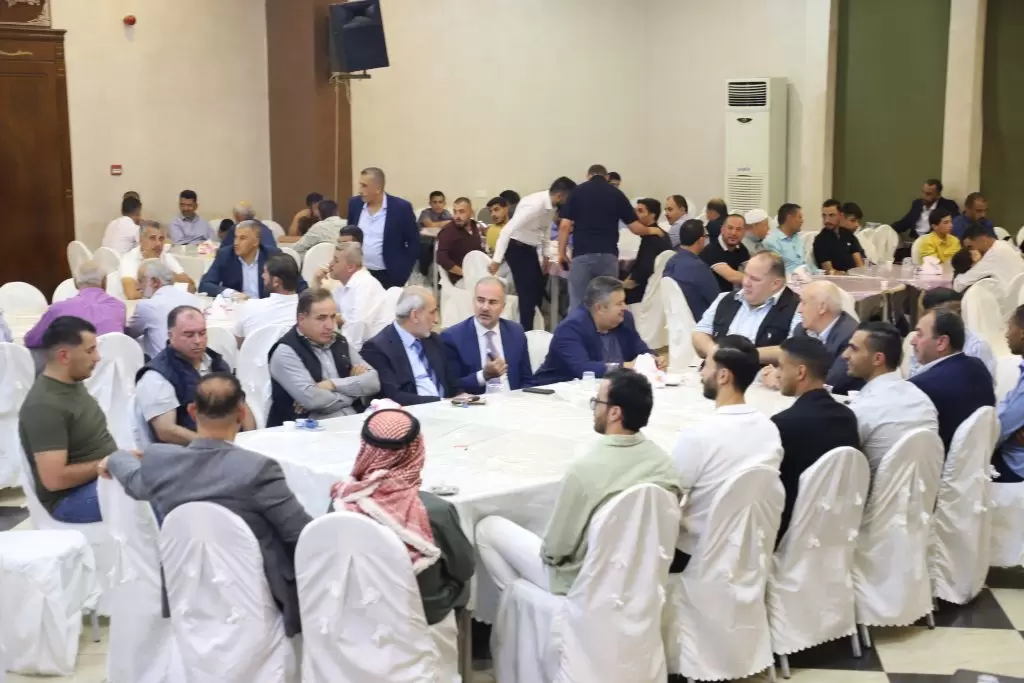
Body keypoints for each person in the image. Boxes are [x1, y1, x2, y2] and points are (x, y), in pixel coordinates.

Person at [100, 373, 312, 637]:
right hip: (257, 594)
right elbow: (303, 535)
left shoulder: (161, 461)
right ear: (242, 412)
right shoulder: (258, 469)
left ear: (192, 411)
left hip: (188, 593)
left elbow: (134, 481)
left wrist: (116, 458)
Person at [476, 369, 680, 594]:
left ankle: (519, 604)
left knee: (487, 528)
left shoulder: (584, 471)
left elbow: (555, 551)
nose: (594, 408)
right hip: (642, 579)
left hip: (583, 584)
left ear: (614, 413)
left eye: (597, 402)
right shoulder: (666, 466)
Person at [330, 408, 474, 625]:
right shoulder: (435, 510)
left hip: (358, 604)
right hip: (423, 610)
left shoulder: (342, 499)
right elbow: (464, 568)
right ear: (416, 451)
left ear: (365, 448)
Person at [670, 335, 782, 573]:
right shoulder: (770, 430)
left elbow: (668, 498)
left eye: (706, 365)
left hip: (695, 553)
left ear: (723, 376)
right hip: (749, 550)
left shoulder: (699, 436)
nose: (701, 373)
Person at [19, 317, 121, 523]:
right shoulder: (44, 406)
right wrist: (111, 463)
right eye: (90, 351)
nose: (97, 357)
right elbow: (54, 479)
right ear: (64, 356)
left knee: (172, 475)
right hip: (71, 500)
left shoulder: (71, 383)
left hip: (99, 480)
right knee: (159, 494)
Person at [769, 336, 861, 540]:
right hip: (837, 526)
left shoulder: (783, 424)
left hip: (791, 531)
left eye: (781, 367)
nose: (777, 374)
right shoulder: (847, 417)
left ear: (800, 372)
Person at [267, 288, 380, 426]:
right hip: (306, 430)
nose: (330, 326)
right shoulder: (286, 351)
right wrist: (356, 392)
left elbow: (374, 381)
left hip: (354, 421)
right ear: (302, 319)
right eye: (321, 318)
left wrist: (332, 385)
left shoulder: (339, 341)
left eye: (332, 317)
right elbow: (314, 400)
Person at [135, 305, 244, 446]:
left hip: (231, 444)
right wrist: (214, 446)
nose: (198, 340)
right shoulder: (156, 376)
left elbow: (240, 404)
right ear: (170, 335)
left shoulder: (216, 362)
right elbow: (166, 431)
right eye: (189, 335)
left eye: (202, 333)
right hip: (187, 453)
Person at [843, 322, 939, 474]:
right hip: (924, 486)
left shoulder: (863, 409)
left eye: (853, 349)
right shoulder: (923, 400)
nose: (845, 355)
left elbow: (842, 464)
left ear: (878, 359)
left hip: (876, 488)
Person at [557, 164, 657, 309]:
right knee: (608, 306)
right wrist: (653, 230)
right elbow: (636, 228)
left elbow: (564, 226)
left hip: (582, 255)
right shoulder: (616, 194)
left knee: (578, 305)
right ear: (607, 177)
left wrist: (561, 253)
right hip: (608, 257)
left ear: (588, 176)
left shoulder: (577, 192)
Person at [533, 277, 664, 385]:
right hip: (552, 394)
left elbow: (640, 349)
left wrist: (652, 359)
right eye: (619, 303)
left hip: (606, 391)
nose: (625, 307)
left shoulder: (625, 320)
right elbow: (583, 369)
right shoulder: (570, 328)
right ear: (600, 308)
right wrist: (626, 366)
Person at [489, 177, 577, 330]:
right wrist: (496, 260)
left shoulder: (550, 207)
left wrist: (546, 255)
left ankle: (533, 326)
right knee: (527, 295)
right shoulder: (535, 205)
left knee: (538, 288)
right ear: (560, 196)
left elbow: (545, 230)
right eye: (570, 198)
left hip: (529, 249)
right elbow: (506, 231)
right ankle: (525, 332)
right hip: (516, 248)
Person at [908, 308, 995, 452]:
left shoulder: (920, 386)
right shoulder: (978, 367)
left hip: (939, 462)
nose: (912, 341)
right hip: (979, 458)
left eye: (919, 334)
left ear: (942, 342)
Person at [692, 251, 801, 364]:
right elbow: (699, 333)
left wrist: (742, 357)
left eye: (754, 279)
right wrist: (716, 352)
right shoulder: (725, 299)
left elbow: (794, 352)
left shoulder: (798, 308)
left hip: (763, 373)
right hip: (716, 369)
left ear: (775, 284)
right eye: (746, 275)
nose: (746, 283)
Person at [361, 286, 463, 405]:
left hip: (448, 409)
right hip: (412, 412)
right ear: (415, 316)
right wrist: (442, 402)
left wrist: (463, 397)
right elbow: (393, 396)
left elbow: (452, 384)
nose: (436, 320)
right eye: (432, 312)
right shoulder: (377, 349)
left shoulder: (433, 340)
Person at [441, 277, 535, 394]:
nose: (485, 308)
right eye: (480, 300)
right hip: (476, 403)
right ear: (473, 302)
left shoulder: (516, 332)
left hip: (513, 401)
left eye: (492, 302)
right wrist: (483, 375)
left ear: (503, 307)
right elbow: (452, 386)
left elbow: (527, 380)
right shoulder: (452, 337)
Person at [24, 261, 126, 348]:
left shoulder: (59, 309)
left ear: (75, 283)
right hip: (112, 362)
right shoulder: (119, 307)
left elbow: (31, 340)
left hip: (77, 364)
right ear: (105, 282)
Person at [347, 167, 419, 289]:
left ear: (378, 189)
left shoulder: (401, 208)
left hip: (389, 275)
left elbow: (414, 241)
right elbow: (350, 235)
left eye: (364, 186)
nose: (360, 190)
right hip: (360, 272)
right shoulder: (355, 204)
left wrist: (404, 270)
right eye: (360, 185)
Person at [313, 242, 389, 352]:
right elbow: (320, 308)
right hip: (363, 346)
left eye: (336, 260)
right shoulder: (343, 286)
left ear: (350, 267)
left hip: (376, 350)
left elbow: (356, 328)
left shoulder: (364, 284)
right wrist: (317, 282)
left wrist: (341, 354)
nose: (330, 264)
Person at [201, 221, 306, 299]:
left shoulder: (273, 255)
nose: (236, 243)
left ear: (256, 242)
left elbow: (301, 286)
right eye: (235, 237)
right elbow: (205, 285)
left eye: (242, 238)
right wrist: (231, 293)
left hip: (267, 308)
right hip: (238, 309)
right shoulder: (225, 255)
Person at [907, 288, 996, 379]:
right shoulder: (920, 341)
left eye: (958, 311)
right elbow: (913, 375)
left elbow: (985, 382)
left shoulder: (977, 346)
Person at [126, 259, 204, 359]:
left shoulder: (147, 306)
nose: (137, 286)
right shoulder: (193, 299)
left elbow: (130, 334)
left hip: (162, 364)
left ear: (154, 282)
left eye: (140, 281)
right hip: (194, 362)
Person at [233, 254, 301, 344]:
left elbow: (239, 344)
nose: (262, 276)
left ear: (276, 282)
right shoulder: (305, 313)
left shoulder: (249, 307)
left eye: (265, 272)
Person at [120, 221, 194, 299]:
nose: (158, 244)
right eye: (152, 238)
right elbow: (131, 294)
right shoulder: (129, 258)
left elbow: (191, 287)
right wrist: (170, 286)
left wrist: (164, 271)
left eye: (161, 239)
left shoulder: (166, 256)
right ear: (141, 240)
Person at [662, 219, 720, 319]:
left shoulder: (670, 262)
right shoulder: (699, 268)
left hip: (675, 320)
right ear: (701, 240)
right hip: (700, 321)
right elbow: (716, 300)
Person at [622, 198, 672, 304]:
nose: (635, 214)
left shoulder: (652, 238)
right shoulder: (660, 233)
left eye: (640, 211)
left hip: (644, 290)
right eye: (635, 210)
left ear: (652, 215)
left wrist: (624, 284)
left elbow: (643, 271)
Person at [994, 306, 1024, 483]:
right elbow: (1007, 403)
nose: (1006, 334)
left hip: (1014, 466)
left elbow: (1001, 427)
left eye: (1010, 327)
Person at [955, 222, 1024, 295]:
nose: (971, 251)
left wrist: (958, 273)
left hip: (1010, 298)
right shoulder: (1004, 244)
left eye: (970, 247)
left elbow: (959, 284)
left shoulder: (991, 255)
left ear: (982, 239)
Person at [436, 197, 485, 285]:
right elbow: (442, 259)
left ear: (471, 213)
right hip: (460, 278)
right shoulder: (448, 231)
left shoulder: (476, 226)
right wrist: (464, 273)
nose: (457, 216)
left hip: (479, 273)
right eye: (455, 212)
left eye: (461, 212)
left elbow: (481, 250)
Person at [892, 178, 960, 238]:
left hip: (934, 242)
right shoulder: (917, 204)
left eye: (928, 194)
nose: (923, 196)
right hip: (916, 240)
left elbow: (953, 227)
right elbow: (905, 222)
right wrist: (889, 228)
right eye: (923, 192)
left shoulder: (948, 206)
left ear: (938, 195)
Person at [701, 213, 750, 292]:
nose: (734, 233)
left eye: (738, 229)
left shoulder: (741, 248)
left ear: (744, 232)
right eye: (730, 228)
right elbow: (731, 276)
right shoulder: (711, 250)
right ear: (722, 230)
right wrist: (757, 280)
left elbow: (751, 269)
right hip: (714, 296)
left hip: (732, 294)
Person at [813, 199, 865, 274]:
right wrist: (846, 275)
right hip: (838, 279)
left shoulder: (848, 234)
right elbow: (829, 271)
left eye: (831, 215)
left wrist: (862, 275)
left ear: (840, 215)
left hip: (856, 276)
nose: (826, 220)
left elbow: (859, 264)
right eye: (824, 215)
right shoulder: (820, 240)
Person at [763, 203, 807, 274]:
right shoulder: (771, 242)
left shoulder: (797, 238)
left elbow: (804, 264)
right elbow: (777, 272)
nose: (802, 221)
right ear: (789, 218)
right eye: (800, 217)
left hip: (805, 277)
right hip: (788, 279)